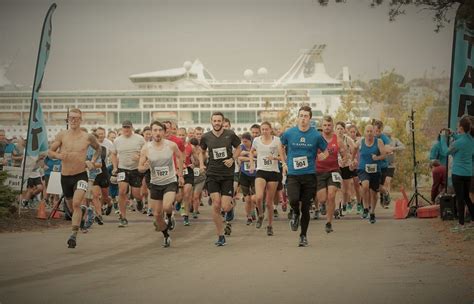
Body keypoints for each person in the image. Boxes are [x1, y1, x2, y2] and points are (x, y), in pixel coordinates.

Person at [48, 108, 101, 248]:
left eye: (76, 118)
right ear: (67, 119)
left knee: (77, 203)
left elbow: (99, 149)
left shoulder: (87, 137)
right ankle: (83, 212)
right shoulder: (62, 135)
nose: (73, 120)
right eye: (71, 118)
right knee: (72, 208)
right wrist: (58, 156)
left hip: (80, 175)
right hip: (65, 176)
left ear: (81, 120)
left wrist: (92, 161)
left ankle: (73, 235)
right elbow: (50, 152)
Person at [279, 106, 328, 247]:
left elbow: (326, 151)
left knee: (306, 207)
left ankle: (303, 236)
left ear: (310, 118)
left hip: (309, 175)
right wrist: (284, 162)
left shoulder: (316, 135)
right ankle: (295, 213)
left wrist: (322, 156)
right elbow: (280, 146)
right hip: (293, 174)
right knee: (293, 199)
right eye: (301, 115)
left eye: (306, 116)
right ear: (298, 117)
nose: (303, 118)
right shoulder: (290, 133)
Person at [138, 121, 184, 247]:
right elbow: (139, 167)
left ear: (164, 132)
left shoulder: (171, 145)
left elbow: (180, 157)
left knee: (167, 206)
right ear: (151, 132)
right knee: (157, 215)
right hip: (155, 183)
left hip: (170, 181)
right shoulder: (146, 148)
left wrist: (180, 174)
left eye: (160, 130)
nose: (157, 133)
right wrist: (144, 167)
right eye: (155, 130)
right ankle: (166, 235)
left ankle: (169, 216)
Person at [199, 112, 241, 246]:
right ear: (211, 121)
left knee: (225, 206)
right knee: (216, 204)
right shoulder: (206, 137)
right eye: (215, 120)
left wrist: (232, 159)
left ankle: (230, 207)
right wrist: (201, 164)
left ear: (223, 122)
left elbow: (239, 148)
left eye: (219, 121)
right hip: (212, 174)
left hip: (227, 175)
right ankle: (220, 235)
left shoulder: (230, 134)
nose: (217, 123)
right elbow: (202, 151)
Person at [110, 120, 146, 227]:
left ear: (132, 128)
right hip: (122, 169)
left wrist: (140, 158)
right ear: (122, 128)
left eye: (128, 127)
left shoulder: (139, 139)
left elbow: (146, 152)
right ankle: (122, 216)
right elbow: (113, 154)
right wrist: (115, 167)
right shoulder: (117, 140)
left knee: (136, 194)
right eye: (124, 127)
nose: (126, 129)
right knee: (122, 191)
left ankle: (139, 201)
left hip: (135, 169)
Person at [316, 117, 348, 233]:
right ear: (322, 126)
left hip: (334, 170)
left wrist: (343, 160)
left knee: (331, 195)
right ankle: (322, 204)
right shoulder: (317, 139)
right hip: (319, 171)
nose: (327, 127)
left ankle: (329, 222)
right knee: (322, 198)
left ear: (332, 126)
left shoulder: (337, 140)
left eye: (329, 125)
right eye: (325, 125)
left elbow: (345, 154)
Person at [249, 122, 281, 236]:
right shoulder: (256, 140)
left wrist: (275, 157)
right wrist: (252, 164)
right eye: (262, 129)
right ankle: (261, 215)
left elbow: (283, 157)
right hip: (261, 171)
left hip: (273, 172)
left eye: (266, 129)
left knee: (268, 203)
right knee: (258, 197)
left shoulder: (277, 140)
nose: (264, 131)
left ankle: (270, 226)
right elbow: (251, 152)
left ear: (271, 130)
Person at [354, 124, 386, 224]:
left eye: (371, 131)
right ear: (364, 132)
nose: (369, 133)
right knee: (365, 185)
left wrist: (377, 158)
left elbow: (384, 155)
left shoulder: (379, 141)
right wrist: (352, 160)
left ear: (374, 132)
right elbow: (354, 148)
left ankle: (372, 213)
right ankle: (366, 208)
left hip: (375, 170)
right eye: (367, 131)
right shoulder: (360, 141)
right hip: (363, 168)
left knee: (374, 192)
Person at [448, 116, 474, 232]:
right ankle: (473, 220)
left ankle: (461, 224)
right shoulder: (471, 140)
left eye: (458, 126)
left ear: (462, 128)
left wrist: (444, 138)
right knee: (467, 197)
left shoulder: (458, 143)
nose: (457, 127)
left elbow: (445, 151)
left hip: (457, 173)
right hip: (468, 173)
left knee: (460, 198)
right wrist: (453, 134)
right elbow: (462, 139)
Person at [381, 125, 405, 208]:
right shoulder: (381, 140)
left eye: (389, 134)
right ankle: (383, 198)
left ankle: (386, 200)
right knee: (383, 182)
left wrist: (393, 148)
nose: (387, 136)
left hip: (391, 164)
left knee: (388, 181)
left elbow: (402, 147)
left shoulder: (394, 140)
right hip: (382, 164)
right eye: (385, 134)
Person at [237, 133, 257, 226]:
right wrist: (251, 157)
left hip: (255, 175)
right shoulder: (241, 147)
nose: (244, 143)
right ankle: (248, 216)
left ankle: (253, 210)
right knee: (247, 199)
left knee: (254, 197)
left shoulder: (255, 146)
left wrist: (247, 155)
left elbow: (258, 154)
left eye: (246, 141)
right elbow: (239, 157)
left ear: (250, 141)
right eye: (243, 141)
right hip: (244, 175)